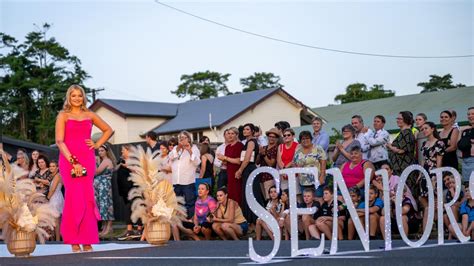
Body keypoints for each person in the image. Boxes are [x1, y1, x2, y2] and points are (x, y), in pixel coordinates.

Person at [55, 84, 113, 252]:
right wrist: (74, 162)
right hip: (68, 159)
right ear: (69, 97)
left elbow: (108, 130)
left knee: (87, 198)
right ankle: (74, 240)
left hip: (87, 158)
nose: (77, 98)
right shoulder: (63, 116)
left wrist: (97, 144)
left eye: (79, 95)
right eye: (73, 96)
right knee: (73, 198)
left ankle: (87, 239)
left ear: (83, 97)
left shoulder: (90, 115)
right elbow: (60, 141)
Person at [419, 121, 445, 231]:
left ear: (432, 129)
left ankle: (436, 225)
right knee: (423, 198)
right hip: (424, 172)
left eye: (426, 128)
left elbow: (439, 161)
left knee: (434, 200)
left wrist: (437, 176)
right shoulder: (424, 144)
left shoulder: (439, 143)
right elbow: (423, 160)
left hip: (433, 172)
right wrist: (420, 174)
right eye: (423, 129)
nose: (424, 130)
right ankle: (429, 225)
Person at [169, 131, 201, 219]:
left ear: (189, 138)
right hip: (176, 181)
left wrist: (189, 150)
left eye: (184, 138)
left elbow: (197, 162)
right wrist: (178, 148)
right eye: (180, 138)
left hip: (188, 181)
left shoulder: (194, 148)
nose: (182, 139)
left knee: (190, 203)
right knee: (177, 203)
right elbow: (170, 157)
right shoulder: (176, 148)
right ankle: (180, 222)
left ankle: (191, 223)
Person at [236, 123, 261, 225]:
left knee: (251, 195)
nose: (245, 131)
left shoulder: (251, 142)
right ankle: (251, 221)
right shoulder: (248, 142)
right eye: (244, 129)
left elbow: (247, 159)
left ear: (252, 131)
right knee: (248, 195)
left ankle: (254, 221)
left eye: (247, 129)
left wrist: (240, 170)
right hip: (248, 169)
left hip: (249, 169)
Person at [292, 130, 327, 203]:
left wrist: (322, 176)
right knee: (307, 202)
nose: (305, 140)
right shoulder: (298, 151)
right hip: (303, 182)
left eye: (307, 138)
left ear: (311, 139)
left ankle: (319, 215)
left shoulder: (317, 148)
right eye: (303, 139)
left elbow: (323, 162)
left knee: (318, 200)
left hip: (317, 180)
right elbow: (294, 163)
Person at [117, 144, 143, 241]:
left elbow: (139, 172)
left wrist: (127, 166)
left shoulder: (135, 161)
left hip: (134, 188)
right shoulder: (122, 161)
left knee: (137, 207)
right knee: (127, 208)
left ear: (129, 151)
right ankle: (129, 230)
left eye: (123, 150)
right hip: (125, 189)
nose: (122, 152)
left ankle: (139, 229)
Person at [387, 111, 416, 193]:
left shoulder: (406, 132)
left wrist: (390, 147)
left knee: (406, 191)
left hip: (404, 168)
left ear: (406, 120)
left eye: (400, 119)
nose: (397, 120)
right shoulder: (403, 133)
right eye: (397, 118)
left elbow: (401, 151)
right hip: (400, 168)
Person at [217, 127, 244, 205]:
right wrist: (221, 159)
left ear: (237, 135)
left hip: (237, 173)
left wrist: (225, 158)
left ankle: (238, 214)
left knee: (237, 194)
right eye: (228, 133)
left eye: (232, 133)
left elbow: (239, 161)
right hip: (229, 173)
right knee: (230, 194)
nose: (230, 135)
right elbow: (227, 162)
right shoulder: (227, 147)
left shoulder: (239, 145)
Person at [94, 144, 116, 237]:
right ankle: (105, 227)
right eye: (99, 151)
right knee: (102, 206)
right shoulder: (102, 161)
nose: (100, 152)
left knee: (106, 205)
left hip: (104, 185)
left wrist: (93, 162)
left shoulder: (106, 161)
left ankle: (109, 227)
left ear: (106, 151)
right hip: (101, 186)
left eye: (102, 150)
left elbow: (96, 172)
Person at [258, 128, 279, 201]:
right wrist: (259, 153)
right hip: (261, 176)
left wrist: (264, 155)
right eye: (270, 136)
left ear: (276, 138)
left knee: (270, 198)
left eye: (273, 137)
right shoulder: (264, 147)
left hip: (269, 177)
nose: (271, 138)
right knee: (265, 199)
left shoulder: (276, 148)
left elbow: (271, 163)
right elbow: (257, 162)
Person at [47, 160, 64, 241]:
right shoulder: (52, 176)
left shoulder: (57, 176)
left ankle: (58, 240)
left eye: (53, 166)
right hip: (54, 197)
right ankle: (56, 238)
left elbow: (53, 189)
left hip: (55, 198)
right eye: (50, 166)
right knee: (55, 221)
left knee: (56, 221)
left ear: (57, 168)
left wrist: (47, 198)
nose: (51, 168)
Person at [458, 107, 474, 183]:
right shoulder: (466, 130)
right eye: (468, 114)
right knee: (468, 186)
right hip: (465, 161)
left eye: (473, 114)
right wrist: (461, 131)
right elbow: (459, 145)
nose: (470, 116)